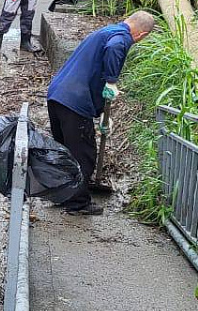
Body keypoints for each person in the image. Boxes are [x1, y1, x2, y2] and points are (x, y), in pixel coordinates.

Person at [45, 11, 154, 215]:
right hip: (75, 101)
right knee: (83, 155)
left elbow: (93, 72)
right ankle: (78, 203)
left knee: (65, 151)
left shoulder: (107, 31)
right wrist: (112, 80)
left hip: (58, 94)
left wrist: (103, 113)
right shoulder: (121, 39)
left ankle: (62, 194)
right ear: (141, 35)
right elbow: (114, 48)